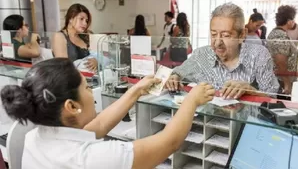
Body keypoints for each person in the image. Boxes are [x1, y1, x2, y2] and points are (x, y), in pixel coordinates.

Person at [1, 58, 215, 169]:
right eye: (86, 88)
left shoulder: (34, 139)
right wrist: (192, 100)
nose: (92, 95)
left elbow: (99, 125)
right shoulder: (91, 159)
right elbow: (169, 142)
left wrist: (135, 91)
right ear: (71, 106)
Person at [166, 3, 279, 99]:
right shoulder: (201, 55)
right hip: (206, 121)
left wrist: (250, 90)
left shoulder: (259, 55)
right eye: (214, 34)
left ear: (242, 35)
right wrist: (174, 78)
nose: (217, 42)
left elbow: (272, 97)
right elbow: (177, 73)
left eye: (226, 35)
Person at [52, 3, 97, 71]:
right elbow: (62, 66)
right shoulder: (60, 36)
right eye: (81, 19)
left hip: (90, 77)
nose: (85, 23)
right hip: (70, 78)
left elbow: (99, 55)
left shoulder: (86, 36)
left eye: (86, 21)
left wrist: (96, 62)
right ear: (70, 19)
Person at [266, 5, 298, 97]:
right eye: (293, 19)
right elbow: (280, 61)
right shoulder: (279, 35)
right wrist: (287, 83)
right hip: (280, 81)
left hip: (280, 79)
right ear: (288, 21)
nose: (294, 22)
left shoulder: (279, 33)